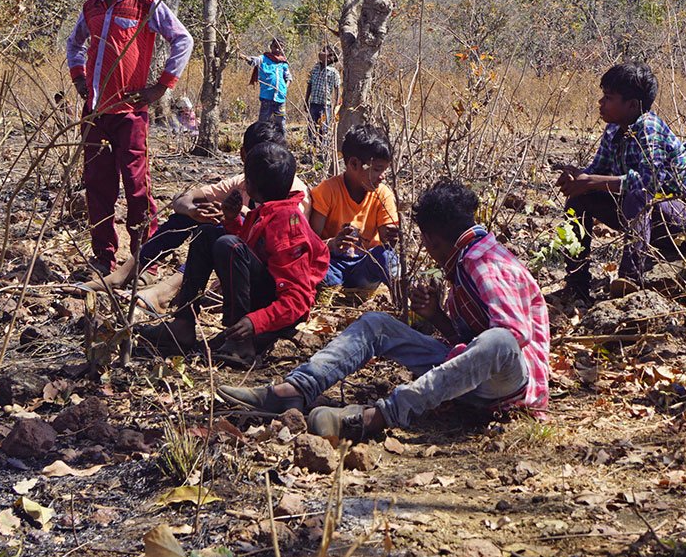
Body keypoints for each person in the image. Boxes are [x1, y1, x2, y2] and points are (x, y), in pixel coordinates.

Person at [216, 180, 549, 443]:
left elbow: (511, 339)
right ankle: (295, 390)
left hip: (507, 390)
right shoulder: (464, 259)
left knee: (500, 341)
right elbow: (468, 345)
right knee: (376, 324)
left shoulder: (483, 263)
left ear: (431, 240)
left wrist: (454, 352)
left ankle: (379, 416)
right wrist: (438, 318)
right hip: (471, 380)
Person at [65, 0, 193, 275]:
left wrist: (161, 87)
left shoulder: (145, 1)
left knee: (138, 187)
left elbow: (182, 39)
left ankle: (143, 260)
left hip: (130, 115)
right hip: (95, 113)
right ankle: (103, 257)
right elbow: (74, 44)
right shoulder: (91, 6)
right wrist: (79, 78)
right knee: (97, 185)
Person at [79, 121, 309, 308]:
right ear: (243, 156)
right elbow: (182, 198)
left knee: (213, 232)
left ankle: (167, 291)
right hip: (240, 255)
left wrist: (235, 216)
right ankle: (127, 271)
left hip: (264, 275)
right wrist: (194, 210)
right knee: (189, 218)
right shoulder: (242, 182)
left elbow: (282, 241)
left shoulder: (292, 190)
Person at [136, 143, 327, 367]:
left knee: (229, 245)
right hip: (265, 297)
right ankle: (183, 322)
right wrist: (232, 219)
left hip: (278, 311)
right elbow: (256, 251)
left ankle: (241, 342)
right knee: (207, 233)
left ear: (250, 185)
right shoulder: (268, 210)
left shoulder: (288, 222)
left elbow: (299, 299)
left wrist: (255, 322)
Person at [554, 63, 686, 302]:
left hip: (681, 226)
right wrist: (579, 179)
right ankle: (576, 283)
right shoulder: (614, 130)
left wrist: (590, 180)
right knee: (579, 197)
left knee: (638, 195)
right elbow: (596, 173)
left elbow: (649, 183)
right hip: (648, 217)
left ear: (632, 105)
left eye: (609, 98)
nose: (601, 103)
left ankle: (630, 280)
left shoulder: (648, 126)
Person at [309, 124, 400, 291]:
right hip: (332, 265)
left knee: (388, 258)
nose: (382, 177)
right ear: (354, 164)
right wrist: (333, 244)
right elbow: (311, 243)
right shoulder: (327, 191)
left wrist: (391, 239)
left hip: (363, 267)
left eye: (385, 170)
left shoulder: (383, 194)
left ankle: (403, 301)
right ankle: (334, 290)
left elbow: (386, 245)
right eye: (377, 169)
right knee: (311, 267)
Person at [249, 38, 290, 135]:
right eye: (275, 47)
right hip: (267, 97)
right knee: (263, 121)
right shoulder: (264, 58)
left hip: (280, 98)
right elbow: (254, 61)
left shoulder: (283, 63)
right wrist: (243, 57)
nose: (278, 50)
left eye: (280, 48)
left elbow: (288, 77)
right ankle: (261, 142)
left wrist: (284, 89)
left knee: (280, 122)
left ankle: (281, 142)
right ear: (271, 47)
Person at [305, 46, 341, 143]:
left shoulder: (334, 73)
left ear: (330, 57)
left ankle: (323, 152)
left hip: (325, 106)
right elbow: (310, 84)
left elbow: (337, 90)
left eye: (323, 51)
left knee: (323, 129)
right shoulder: (315, 68)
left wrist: (336, 107)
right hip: (313, 104)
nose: (320, 53)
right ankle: (311, 149)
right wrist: (306, 100)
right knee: (311, 127)